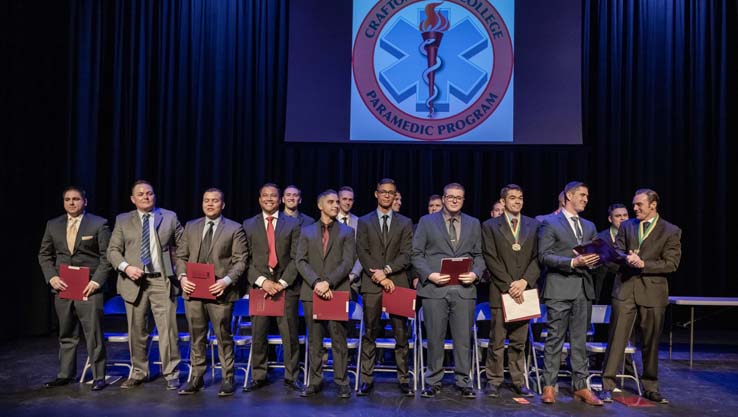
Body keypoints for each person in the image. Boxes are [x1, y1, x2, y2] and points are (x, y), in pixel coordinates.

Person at [599, 189, 681, 404]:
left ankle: (650, 386)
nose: (634, 209)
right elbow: (616, 253)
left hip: (653, 292)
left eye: (639, 205)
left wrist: (644, 264)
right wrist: (627, 258)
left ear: (653, 205)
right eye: (634, 205)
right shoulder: (627, 226)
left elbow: (671, 264)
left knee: (650, 341)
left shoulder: (670, 230)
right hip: (625, 289)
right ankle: (607, 384)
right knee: (616, 338)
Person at [107, 180, 183, 390]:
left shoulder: (169, 216)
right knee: (137, 330)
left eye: (149, 193)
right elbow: (112, 251)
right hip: (134, 281)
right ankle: (139, 372)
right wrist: (126, 267)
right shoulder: (123, 220)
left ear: (154, 196)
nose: (146, 197)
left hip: (161, 280)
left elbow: (182, 246)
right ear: (133, 199)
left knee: (168, 330)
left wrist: (178, 269)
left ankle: (172, 373)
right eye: (140, 194)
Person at [412, 182, 485, 399]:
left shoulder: (473, 223)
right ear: (443, 199)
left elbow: (480, 256)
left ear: (463, 200)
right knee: (435, 339)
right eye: (450, 196)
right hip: (435, 289)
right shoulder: (427, 222)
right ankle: (433, 381)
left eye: (459, 197)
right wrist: (429, 275)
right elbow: (416, 254)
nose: (454, 200)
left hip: (464, 289)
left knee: (463, 339)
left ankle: (464, 381)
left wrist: (475, 274)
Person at [38, 186, 112, 391]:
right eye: (68, 199)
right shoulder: (53, 225)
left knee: (93, 334)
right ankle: (65, 374)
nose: (72, 203)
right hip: (63, 286)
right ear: (64, 202)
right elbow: (44, 255)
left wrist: (96, 281)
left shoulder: (99, 223)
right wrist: (51, 277)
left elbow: (107, 257)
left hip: (89, 287)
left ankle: (99, 376)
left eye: (76, 199)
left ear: (84, 202)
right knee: (66, 333)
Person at [175, 188, 247, 396]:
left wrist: (226, 281)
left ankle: (228, 377)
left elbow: (240, 260)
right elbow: (180, 256)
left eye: (215, 201)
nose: (210, 204)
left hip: (220, 292)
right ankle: (196, 376)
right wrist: (182, 277)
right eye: (206, 200)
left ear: (222, 205)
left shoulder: (234, 228)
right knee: (196, 336)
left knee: (223, 335)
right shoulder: (191, 226)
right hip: (193, 290)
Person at [537, 181, 602, 406]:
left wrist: (595, 261)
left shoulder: (590, 226)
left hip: (583, 290)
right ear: (568, 196)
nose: (585, 199)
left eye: (587, 195)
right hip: (559, 288)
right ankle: (549, 386)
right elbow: (544, 256)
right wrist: (573, 262)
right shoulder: (550, 223)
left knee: (579, 340)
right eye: (582, 195)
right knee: (554, 338)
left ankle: (581, 387)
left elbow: (594, 256)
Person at [355, 179, 414, 396]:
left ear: (395, 195)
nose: (387, 196)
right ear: (376, 194)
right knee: (370, 332)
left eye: (391, 193)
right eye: (383, 192)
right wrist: (379, 277)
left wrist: (387, 271)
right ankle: (366, 379)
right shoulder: (364, 221)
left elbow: (407, 254)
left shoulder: (405, 222)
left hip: (397, 283)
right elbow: (362, 251)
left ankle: (403, 379)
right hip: (372, 284)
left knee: (401, 334)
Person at [242, 183, 303, 392]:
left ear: (280, 200)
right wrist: (263, 282)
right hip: (260, 288)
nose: (269, 199)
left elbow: (297, 258)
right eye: (265, 196)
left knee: (290, 335)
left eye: (273, 196)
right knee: (258, 334)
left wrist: (282, 283)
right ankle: (259, 375)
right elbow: (245, 260)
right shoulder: (249, 224)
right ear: (260, 199)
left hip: (286, 288)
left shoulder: (293, 224)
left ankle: (291, 375)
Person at [481, 184, 539, 398]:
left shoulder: (533, 225)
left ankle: (518, 380)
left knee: (519, 341)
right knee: (497, 339)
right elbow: (490, 257)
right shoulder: (490, 225)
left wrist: (524, 281)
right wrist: (509, 284)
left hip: (524, 291)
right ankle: (494, 380)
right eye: (512, 198)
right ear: (503, 201)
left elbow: (538, 257)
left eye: (520, 197)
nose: (517, 201)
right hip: (501, 290)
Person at [296, 190, 356, 398]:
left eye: (337, 202)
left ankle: (342, 381)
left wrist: (328, 282)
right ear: (320, 205)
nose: (336, 205)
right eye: (331, 202)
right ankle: (315, 381)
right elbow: (300, 261)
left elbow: (347, 262)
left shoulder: (347, 232)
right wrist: (316, 282)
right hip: (312, 292)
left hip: (336, 291)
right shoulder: (307, 231)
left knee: (339, 339)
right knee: (314, 339)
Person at [594, 203, 629, 303]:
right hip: (604, 288)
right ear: (610, 219)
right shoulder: (599, 238)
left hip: (627, 286)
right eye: (618, 216)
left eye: (625, 215)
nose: (622, 218)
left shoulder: (636, 235)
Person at [337, 186, 362, 291]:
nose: (347, 202)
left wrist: (354, 274)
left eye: (350, 200)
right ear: (338, 200)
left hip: (352, 282)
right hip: (330, 280)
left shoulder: (359, 222)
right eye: (344, 199)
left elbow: (362, 252)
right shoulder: (329, 220)